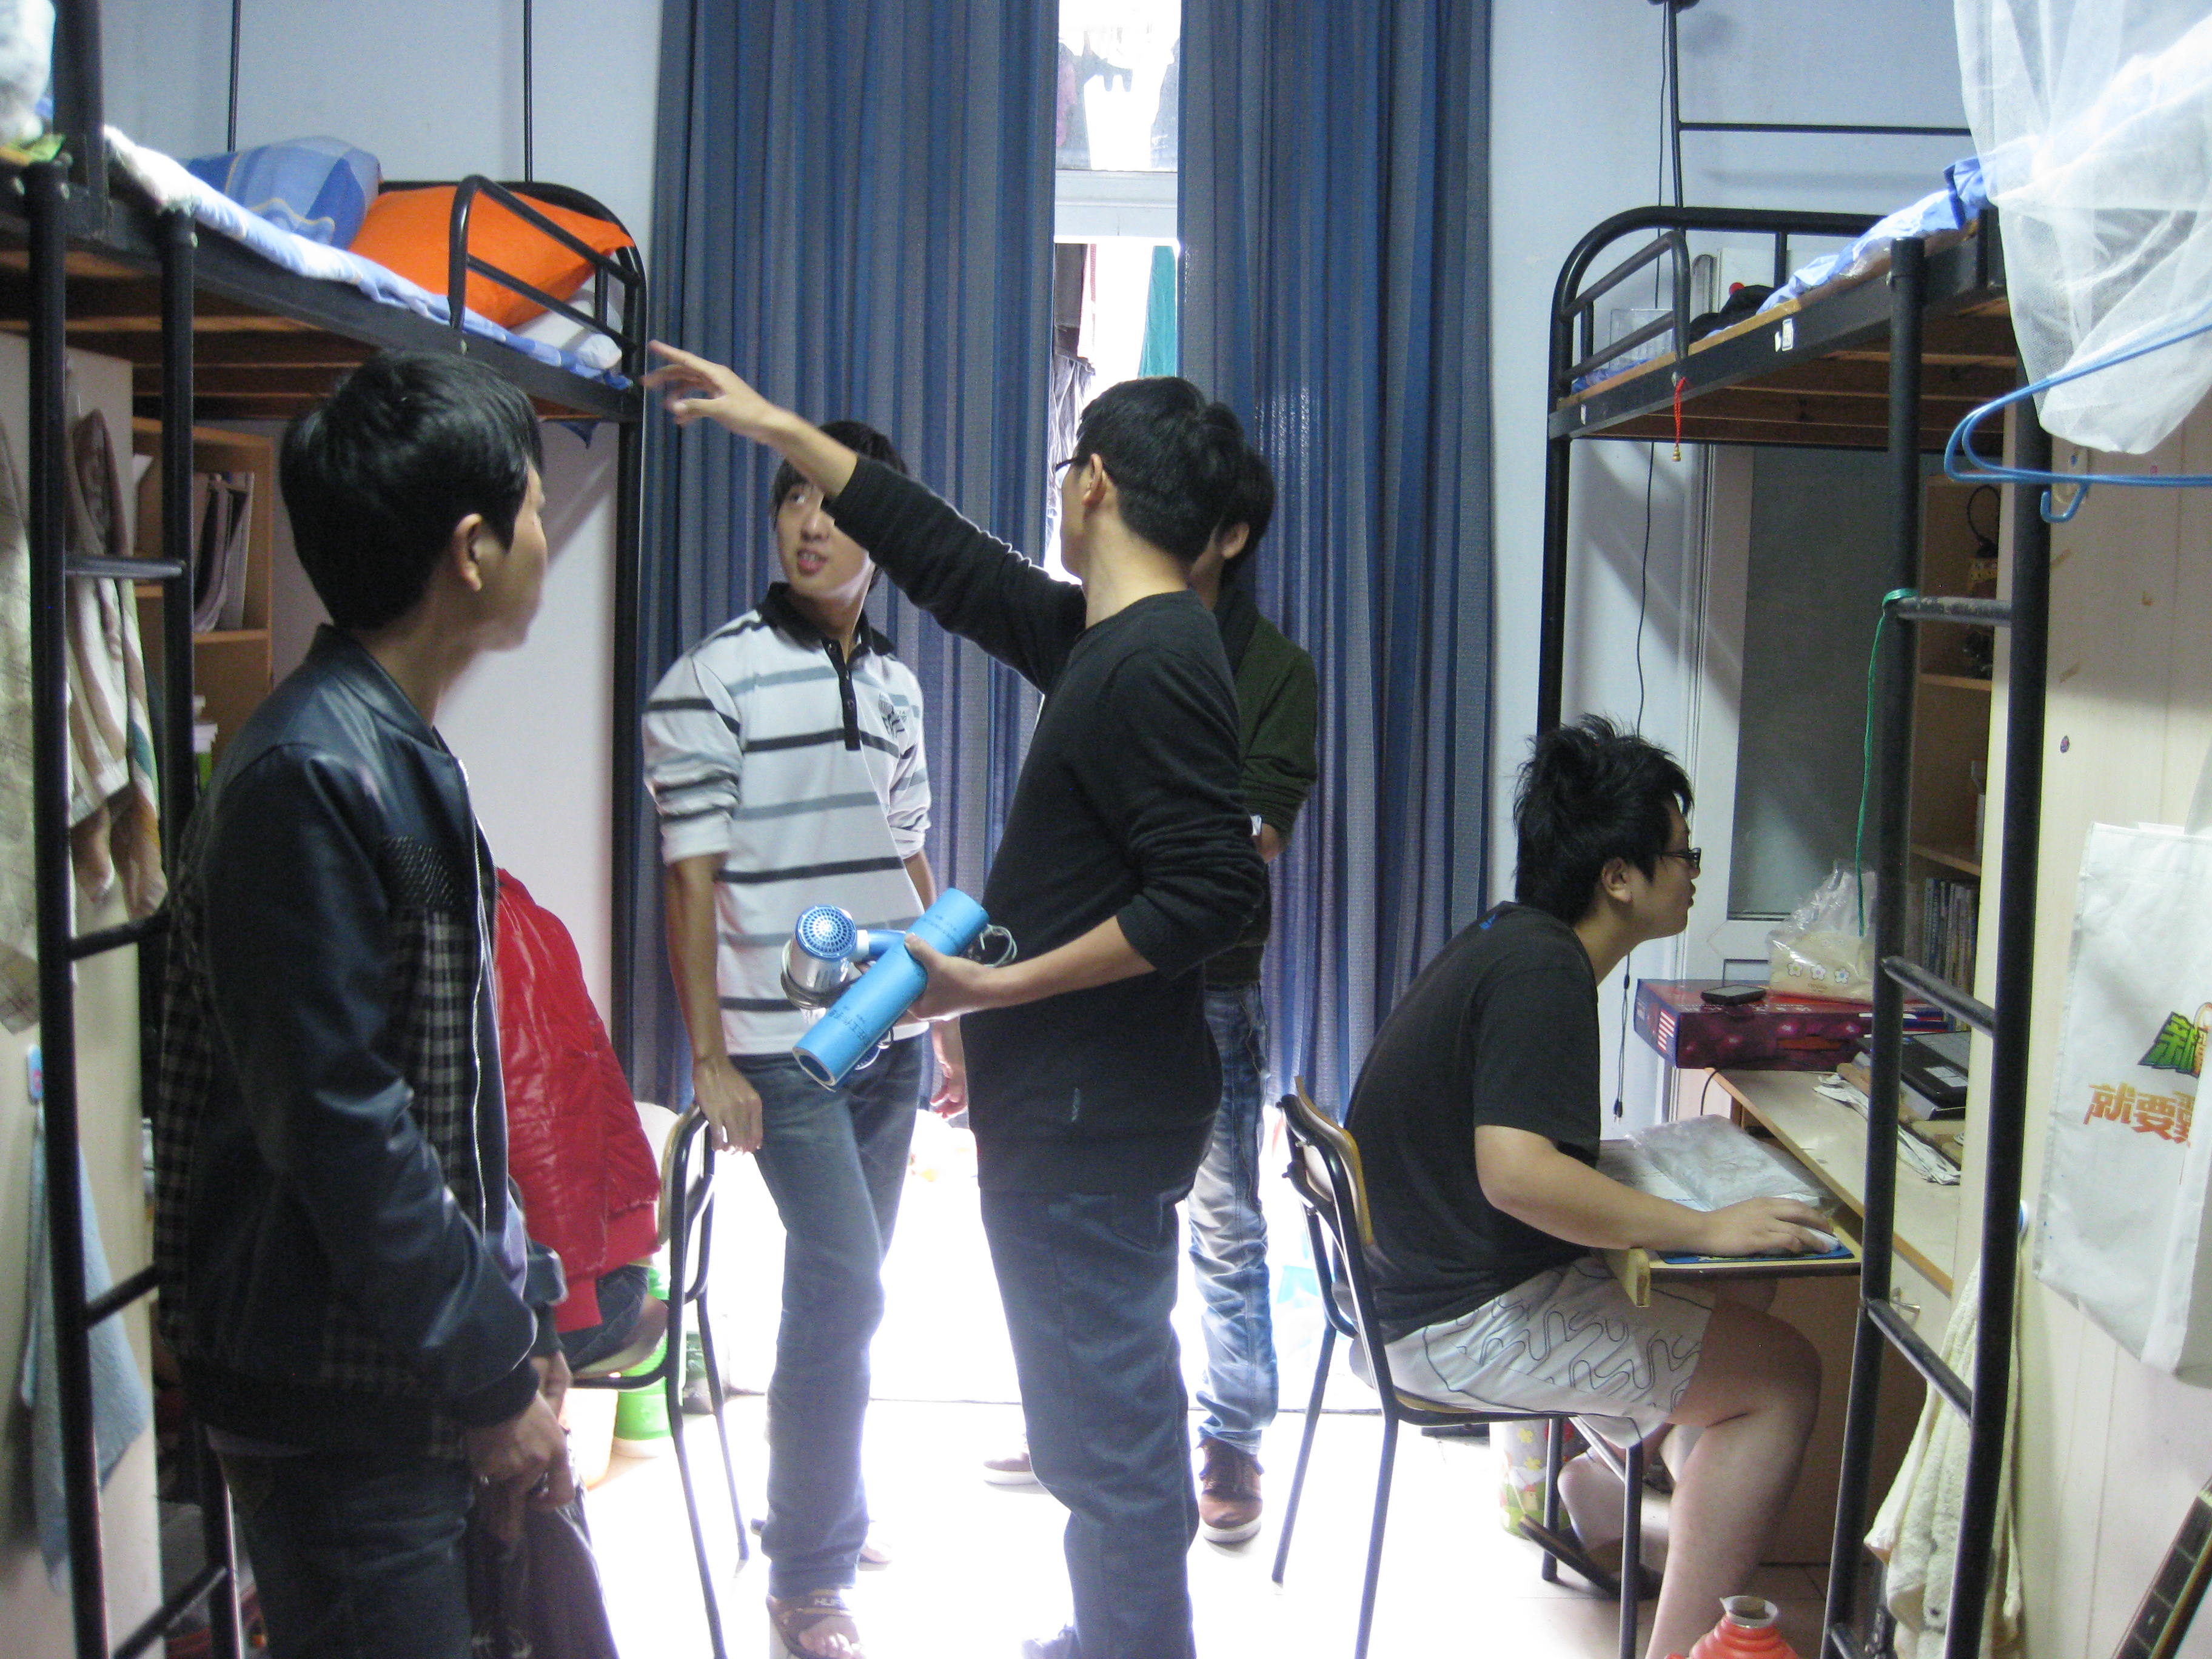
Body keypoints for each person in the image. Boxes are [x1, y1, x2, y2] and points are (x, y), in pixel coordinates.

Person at [642, 342, 1267, 1659]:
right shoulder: (1112, 637)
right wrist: (781, 428)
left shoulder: (1154, 658)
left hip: (1091, 1124)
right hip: (1082, 1114)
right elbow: (951, 560)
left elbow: (1214, 896)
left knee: (1109, 1443)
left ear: (1093, 484)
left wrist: (994, 986)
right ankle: (1108, 1636)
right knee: (1103, 1428)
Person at [150, 351, 574, 1659]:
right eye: (535, 507)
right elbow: (342, 1124)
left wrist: (522, 1314)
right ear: (471, 550)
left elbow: (444, 1084)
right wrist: (489, 1367)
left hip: (401, 1365)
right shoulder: (307, 775)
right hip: (331, 1395)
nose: (545, 535)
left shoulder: (390, 752)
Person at [1344, 714, 1827, 1659]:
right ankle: (1679, 1645)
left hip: (1419, 1291)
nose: (1694, 873)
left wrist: (1679, 1213)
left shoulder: (1513, 939)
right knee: (1782, 1380)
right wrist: (1699, 1224)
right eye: (1681, 853)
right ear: (1619, 877)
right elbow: (1517, 1175)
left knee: (1748, 1294)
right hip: (1452, 1325)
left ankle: (1600, 1497)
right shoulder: (1545, 975)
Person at [642, 419, 957, 1659]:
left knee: (845, 1294)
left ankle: (822, 1506)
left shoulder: (897, 687)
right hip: (780, 1047)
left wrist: (948, 1018)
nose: (812, 523)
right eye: (793, 499)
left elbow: (911, 852)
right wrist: (710, 1060)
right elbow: (689, 881)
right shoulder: (710, 678)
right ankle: (808, 1572)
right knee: (846, 1280)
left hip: (889, 1028)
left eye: (835, 502)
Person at [980, 446, 1318, 1549]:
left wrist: (1156, 848)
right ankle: (1099, 1421)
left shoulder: (1265, 668)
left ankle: (1231, 1433)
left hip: (1204, 984)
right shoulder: (1105, 630)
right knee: (1100, 1256)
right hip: (1095, 996)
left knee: (1224, 1220)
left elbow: (1240, 852)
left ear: (1231, 536)